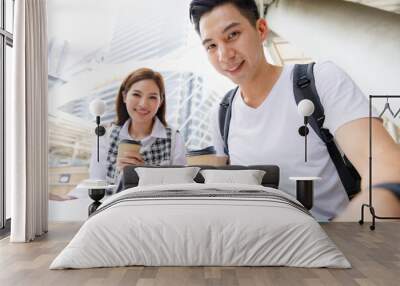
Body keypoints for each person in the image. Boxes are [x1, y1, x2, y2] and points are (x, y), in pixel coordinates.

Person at [189, 0, 400, 221]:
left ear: (261, 30)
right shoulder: (222, 114)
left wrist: (367, 215)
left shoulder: (320, 80)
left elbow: (378, 158)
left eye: (232, 34)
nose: (224, 55)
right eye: (211, 46)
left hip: (332, 243)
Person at [89, 67, 187, 186]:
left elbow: (179, 187)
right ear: (125, 96)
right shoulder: (106, 137)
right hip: (115, 204)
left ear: (160, 102)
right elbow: (96, 185)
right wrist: (121, 175)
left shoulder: (174, 139)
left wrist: (144, 175)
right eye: (136, 94)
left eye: (152, 97)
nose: (143, 104)